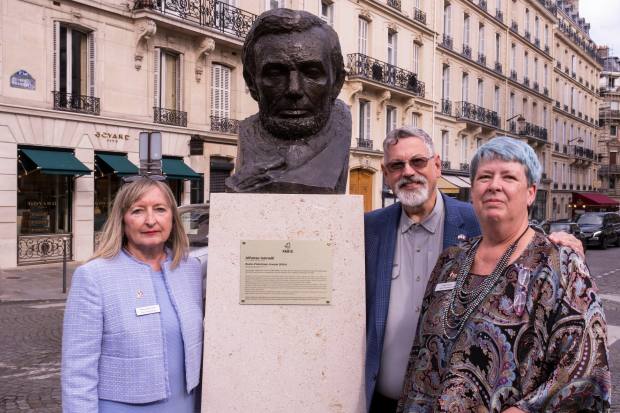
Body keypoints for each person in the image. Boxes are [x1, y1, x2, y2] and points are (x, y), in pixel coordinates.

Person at [364, 127, 584, 412]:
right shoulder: (369, 230)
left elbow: (518, 234)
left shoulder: (474, 218)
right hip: (387, 400)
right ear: (385, 172)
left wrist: (562, 245)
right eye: (397, 165)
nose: (408, 171)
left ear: (437, 165)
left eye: (418, 161)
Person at [61, 177, 204, 412]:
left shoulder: (189, 269)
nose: (151, 220)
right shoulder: (95, 276)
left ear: (173, 218)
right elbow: (77, 371)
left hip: (184, 405)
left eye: (160, 209)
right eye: (138, 211)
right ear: (122, 220)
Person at [226, 8, 351, 194]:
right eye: (276, 73)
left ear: (337, 82)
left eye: (311, 73)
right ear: (251, 83)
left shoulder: (341, 128)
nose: (294, 89)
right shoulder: (247, 133)